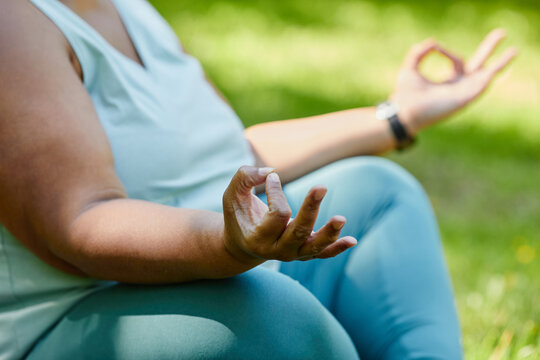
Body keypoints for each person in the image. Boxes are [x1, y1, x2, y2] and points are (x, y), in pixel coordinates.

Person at [0, 0, 516, 359]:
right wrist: (227, 246)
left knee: (380, 193)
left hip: (219, 266)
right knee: (269, 312)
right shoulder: (13, 25)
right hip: (72, 319)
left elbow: (230, 153)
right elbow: (80, 222)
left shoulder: (130, 9)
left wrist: (398, 115)